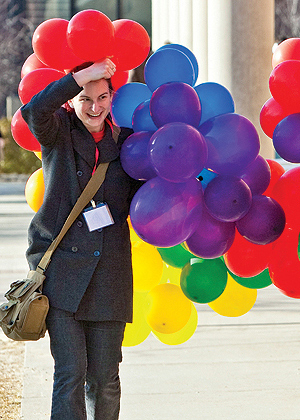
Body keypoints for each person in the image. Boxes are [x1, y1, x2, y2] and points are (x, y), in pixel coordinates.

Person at [21, 58, 141, 420]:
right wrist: (78, 78)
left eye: (102, 97)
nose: (94, 107)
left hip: (109, 275)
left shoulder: (128, 145)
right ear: (72, 100)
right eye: (85, 98)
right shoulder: (57, 132)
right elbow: (33, 111)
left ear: (112, 97)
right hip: (63, 278)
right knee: (70, 375)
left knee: (104, 379)